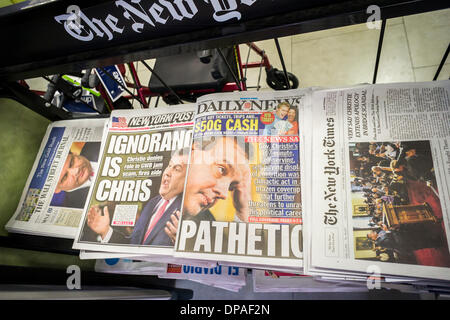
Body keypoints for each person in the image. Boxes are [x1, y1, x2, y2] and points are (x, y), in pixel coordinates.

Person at [86, 147, 189, 246]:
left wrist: (181, 244)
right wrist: (106, 231)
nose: (167, 173)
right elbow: (134, 244)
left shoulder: (188, 209)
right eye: (169, 165)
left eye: (177, 169)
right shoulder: (153, 203)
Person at [164, 136, 251, 243]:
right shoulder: (157, 190)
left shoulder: (207, 226)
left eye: (231, 187)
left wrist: (242, 212)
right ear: (194, 151)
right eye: (221, 169)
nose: (224, 194)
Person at [50, 142, 100, 209]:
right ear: (56, 189)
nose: (76, 171)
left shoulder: (95, 144)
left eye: (71, 163)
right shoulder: (77, 206)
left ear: (74, 153)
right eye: (65, 176)